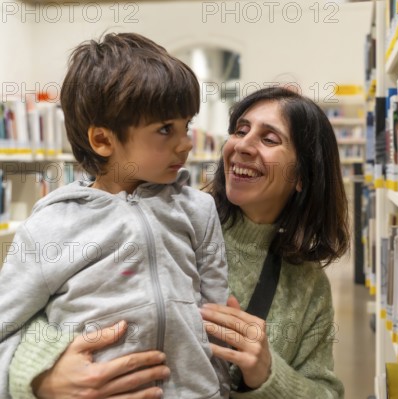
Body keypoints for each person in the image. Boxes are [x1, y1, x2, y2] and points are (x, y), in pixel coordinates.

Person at [9, 87, 350, 398]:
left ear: (303, 176)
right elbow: (31, 314)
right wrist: (43, 375)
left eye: (270, 139)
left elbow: (327, 391)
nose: (242, 145)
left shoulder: (308, 286)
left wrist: (268, 374)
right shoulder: (168, 224)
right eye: (241, 130)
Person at [0, 33, 230, 398]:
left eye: (186, 125)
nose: (186, 142)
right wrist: (39, 382)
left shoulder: (198, 210)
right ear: (103, 140)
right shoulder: (51, 226)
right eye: (165, 129)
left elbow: (216, 313)